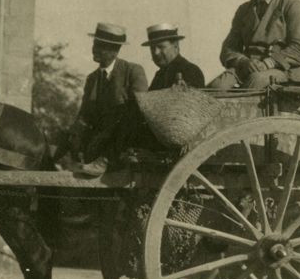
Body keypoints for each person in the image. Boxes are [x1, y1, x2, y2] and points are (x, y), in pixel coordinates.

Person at [67, 22, 148, 175]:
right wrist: (74, 135)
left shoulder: (133, 71)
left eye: (101, 46)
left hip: (122, 145)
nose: (95, 49)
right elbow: (84, 114)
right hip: (95, 144)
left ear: (115, 51)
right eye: (95, 43)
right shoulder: (92, 79)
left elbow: (141, 110)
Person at [142, 23, 205, 90]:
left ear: (175, 45)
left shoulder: (190, 71)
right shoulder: (159, 76)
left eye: (161, 47)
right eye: (152, 48)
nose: (156, 52)